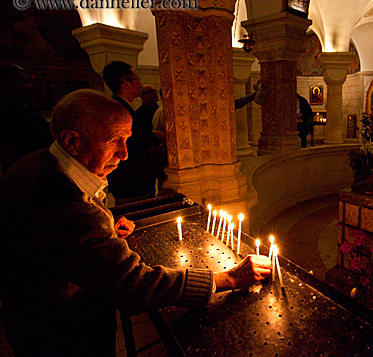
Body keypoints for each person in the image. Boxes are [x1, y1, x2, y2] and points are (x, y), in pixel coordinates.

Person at [0, 89, 272, 357]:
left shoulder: (41, 162)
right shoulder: (57, 198)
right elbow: (132, 284)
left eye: (127, 140)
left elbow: (65, 241)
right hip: (59, 334)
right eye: (114, 140)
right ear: (72, 141)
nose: (125, 153)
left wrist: (104, 230)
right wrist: (228, 277)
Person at [102, 61, 158, 204]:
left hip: (135, 180)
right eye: (136, 78)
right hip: (130, 180)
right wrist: (154, 136)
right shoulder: (118, 110)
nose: (140, 83)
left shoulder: (124, 107)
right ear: (125, 84)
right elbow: (134, 141)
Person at [0, 63, 53, 173]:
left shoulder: (32, 110)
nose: (25, 85)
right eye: (17, 82)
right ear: (3, 85)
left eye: (27, 81)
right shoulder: (4, 112)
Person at [135, 84, 167, 192]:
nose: (154, 93)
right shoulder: (139, 114)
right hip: (153, 154)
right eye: (150, 91)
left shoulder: (159, 109)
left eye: (155, 91)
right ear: (143, 96)